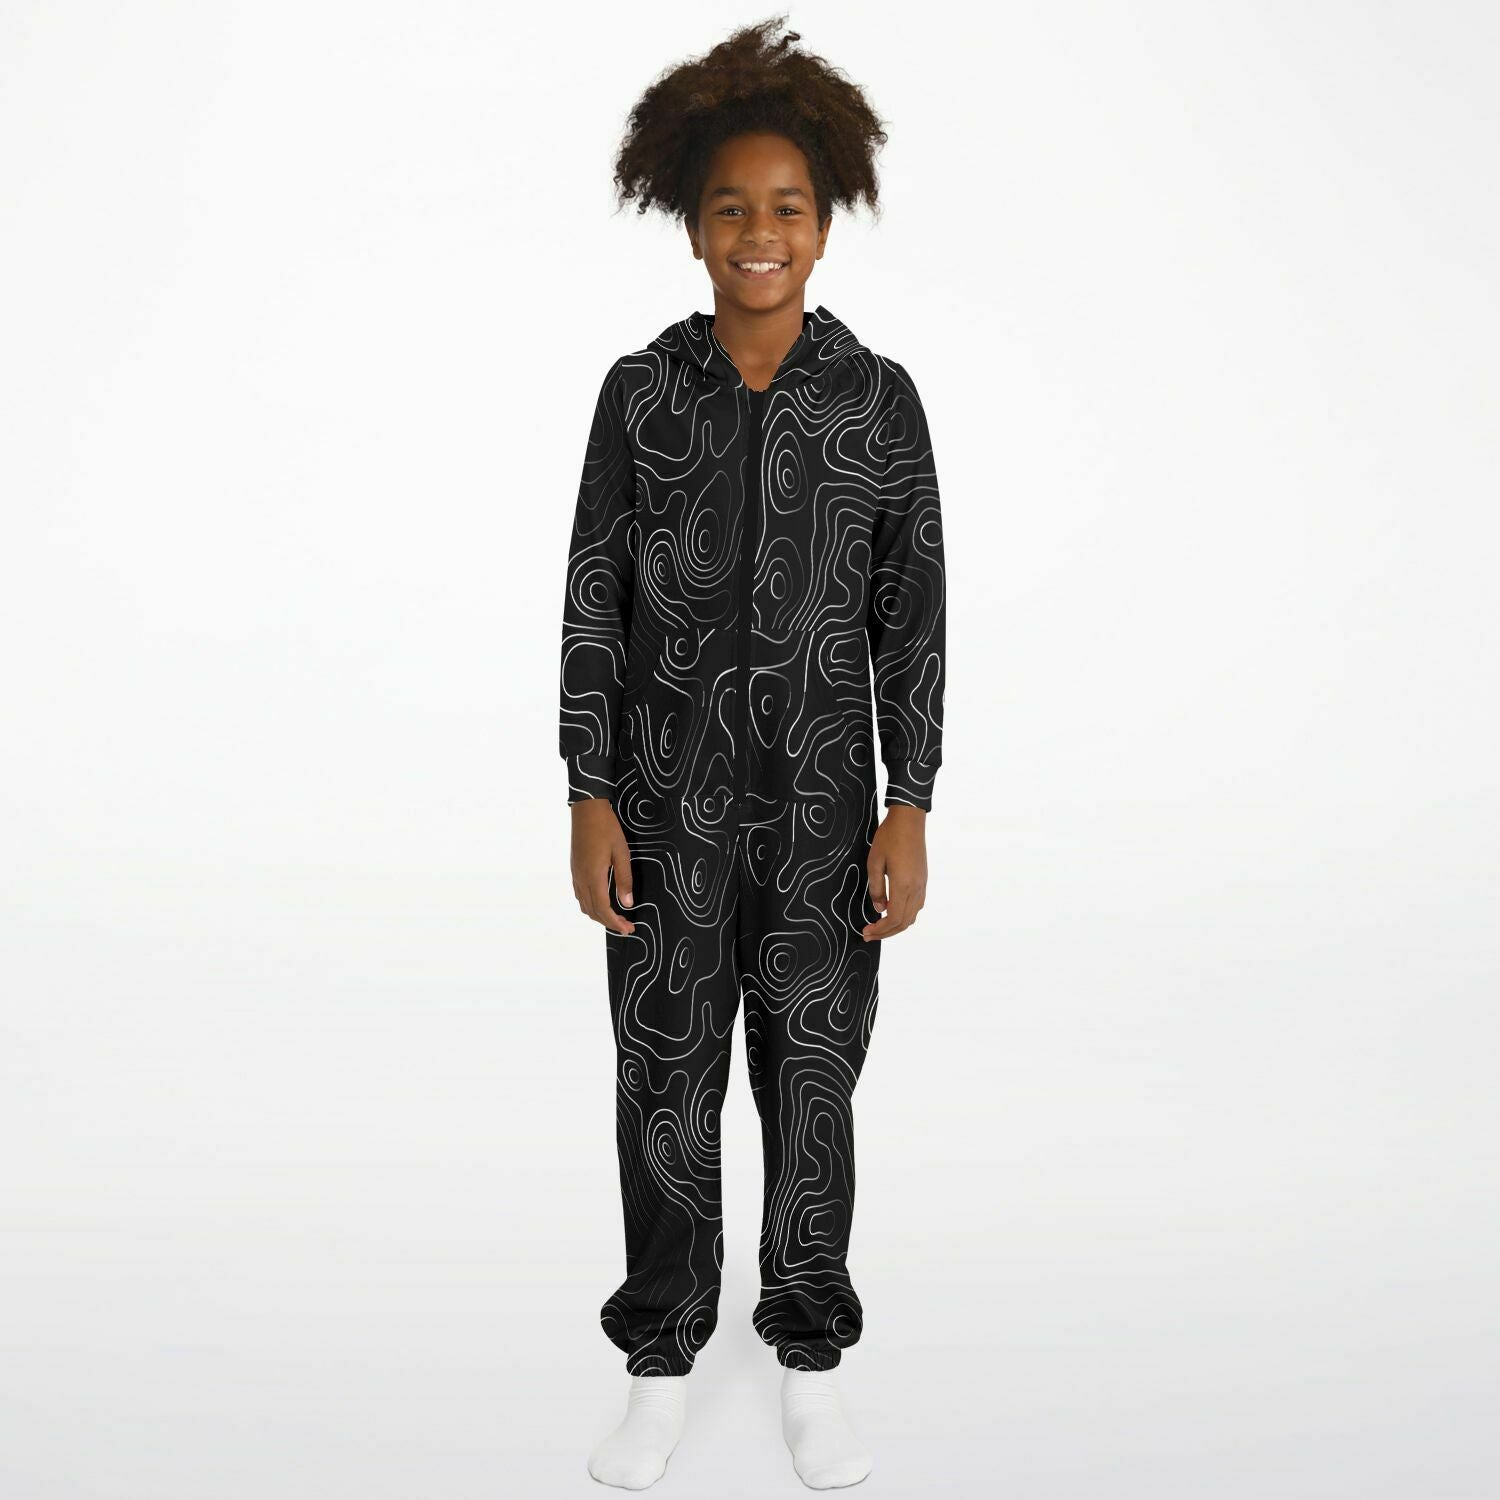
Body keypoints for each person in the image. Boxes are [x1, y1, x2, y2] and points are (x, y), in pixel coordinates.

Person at [557, 17, 947, 1490]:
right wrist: (589, 790)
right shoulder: (641, 394)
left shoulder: (877, 402)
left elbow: (912, 614)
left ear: (826, 223)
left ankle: (809, 1359)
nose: (760, 232)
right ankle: (660, 1362)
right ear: (692, 225)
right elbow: (595, 598)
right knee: (662, 1084)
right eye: (732, 208)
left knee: (813, 1083)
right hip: (665, 812)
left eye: (787, 207)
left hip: (824, 815)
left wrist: (909, 803)